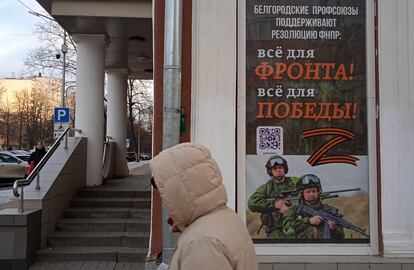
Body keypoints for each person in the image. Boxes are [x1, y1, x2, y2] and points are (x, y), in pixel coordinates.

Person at [150, 143, 258, 270]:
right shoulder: (225, 216)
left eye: (165, 191)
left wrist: (193, 235)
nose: (164, 199)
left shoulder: (201, 242)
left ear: (180, 189)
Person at [247, 155, 299, 238]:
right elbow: (252, 203)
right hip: (275, 233)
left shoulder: (295, 183)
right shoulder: (266, 188)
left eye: (280, 167)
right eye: (275, 168)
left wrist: (289, 211)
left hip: (295, 230)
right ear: (270, 171)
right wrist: (274, 205)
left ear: (284, 169)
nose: (278, 170)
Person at [282, 174, 345, 240]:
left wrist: (333, 229)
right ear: (301, 194)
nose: (311, 194)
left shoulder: (330, 210)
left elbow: (341, 236)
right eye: (308, 192)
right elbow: (287, 230)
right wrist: (308, 221)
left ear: (318, 192)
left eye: (314, 191)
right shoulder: (293, 210)